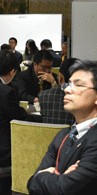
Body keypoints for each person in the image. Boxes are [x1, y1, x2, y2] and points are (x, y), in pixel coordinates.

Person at [27, 60, 97, 194]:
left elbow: (64, 189)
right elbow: (31, 183)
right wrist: (61, 178)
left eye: (78, 85)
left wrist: (47, 176)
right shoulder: (64, 134)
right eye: (68, 84)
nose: (67, 89)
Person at [38, 58, 76, 125]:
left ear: (60, 77)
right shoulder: (82, 98)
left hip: (47, 134)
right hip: (72, 134)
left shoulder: (43, 96)